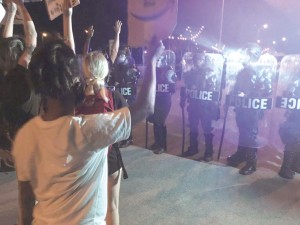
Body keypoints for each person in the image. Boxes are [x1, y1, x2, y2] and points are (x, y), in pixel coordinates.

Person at [12, 38, 164, 225]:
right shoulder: (89, 131)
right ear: (73, 84)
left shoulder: (26, 135)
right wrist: (152, 61)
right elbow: (146, 107)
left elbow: (25, 199)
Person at [0, 0, 38, 171]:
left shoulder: (12, 77)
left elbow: (29, 41)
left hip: (20, 147)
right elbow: (29, 41)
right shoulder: (17, 76)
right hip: (23, 145)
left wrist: (18, 7)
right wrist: (16, 8)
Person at [226, 43, 273, 175]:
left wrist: (249, 93)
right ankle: (241, 154)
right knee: (242, 131)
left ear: (253, 55)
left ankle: (251, 163)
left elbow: (267, 89)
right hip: (242, 107)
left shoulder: (262, 71)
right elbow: (237, 88)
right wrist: (233, 95)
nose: (244, 56)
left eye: (246, 54)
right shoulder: (242, 72)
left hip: (253, 109)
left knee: (251, 135)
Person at [180, 53, 220, 162]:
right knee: (193, 127)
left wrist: (215, 107)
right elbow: (187, 87)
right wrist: (183, 99)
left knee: (207, 129)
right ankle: (193, 148)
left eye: (200, 59)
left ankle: (209, 151)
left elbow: (213, 90)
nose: (198, 61)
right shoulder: (192, 72)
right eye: (196, 59)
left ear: (204, 60)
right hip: (193, 105)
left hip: (205, 106)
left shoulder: (210, 73)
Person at [148, 51, 177, 154]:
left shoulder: (169, 71)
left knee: (160, 122)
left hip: (164, 101)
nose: (158, 61)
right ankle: (157, 143)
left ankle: (162, 146)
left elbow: (173, 89)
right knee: (155, 121)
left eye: (160, 60)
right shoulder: (156, 70)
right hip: (156, 100)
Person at [278, 75, 300, 179]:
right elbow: (287, 94)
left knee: (297, 141)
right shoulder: (296, 81)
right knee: (293, 140)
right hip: (295, 116)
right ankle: (286, 168)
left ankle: (294, 165)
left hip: (295, 116)